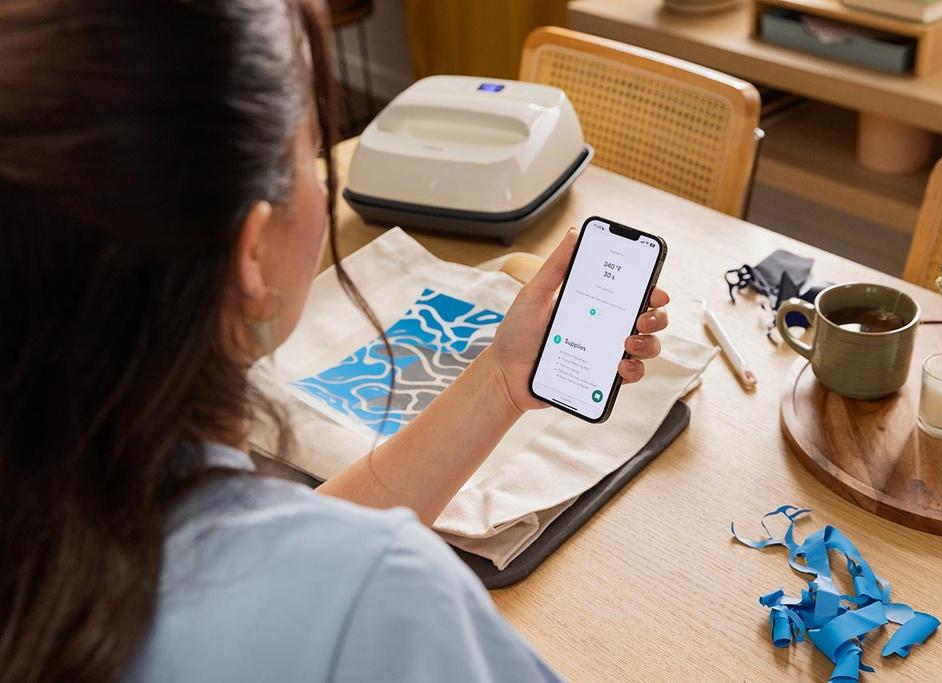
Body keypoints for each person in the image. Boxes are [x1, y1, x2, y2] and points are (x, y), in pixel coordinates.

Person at [0, 1, 671, 681]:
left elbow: (278, 573)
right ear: (252, 252)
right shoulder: (387, 598)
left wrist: (500, 380)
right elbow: (323, 588)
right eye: (313, 154)